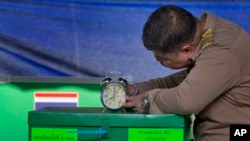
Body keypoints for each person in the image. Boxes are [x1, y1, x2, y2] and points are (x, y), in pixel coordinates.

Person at [122, 4, 250, 141]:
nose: (160, 63)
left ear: (187, 50)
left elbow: (186, 100)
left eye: (162, 59)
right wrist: (137, 89)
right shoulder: (207, 33)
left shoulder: (221, 50)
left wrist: (147, 100)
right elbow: (193, 79)